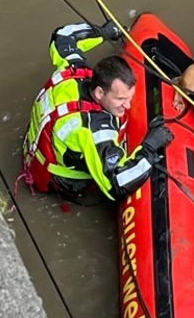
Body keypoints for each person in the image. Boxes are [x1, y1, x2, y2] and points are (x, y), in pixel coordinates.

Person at [20, 21, 173, 201]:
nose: (128, 106)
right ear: (100, 92)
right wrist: (150, 146)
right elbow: (118, 184)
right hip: (60, 178)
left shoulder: (74, 70)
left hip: (37, 144)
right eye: (121, 99)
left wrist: (104, 32)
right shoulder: (95, 131)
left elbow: (62, 35)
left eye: (129, 98)